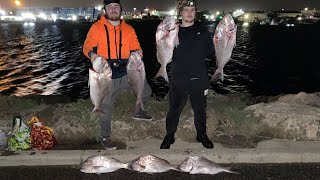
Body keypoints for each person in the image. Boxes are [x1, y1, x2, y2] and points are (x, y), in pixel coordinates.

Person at [83, 0, 153, 150]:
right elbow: (87, 46)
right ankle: (105, 136)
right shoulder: (96, 27)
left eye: (116, 7)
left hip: (127, 70)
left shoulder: (128, 29)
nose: (113, 10)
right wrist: (93, 55)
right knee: (105, 107)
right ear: (105, 10)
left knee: (146, 92)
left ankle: (137, 111)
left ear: (120, 10)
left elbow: (135, 45)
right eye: (110, 7)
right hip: (106, 73)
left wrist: (139, 52)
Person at [160, 0, 214, 149]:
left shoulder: (202, 31)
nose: (189, 13)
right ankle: (169, 135)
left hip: (199, 77)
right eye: (186, 10)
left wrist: (216, 42)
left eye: (192, 10)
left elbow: (211, 53)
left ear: (196, 12)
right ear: (180, 12)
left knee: (200, 109)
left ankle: (201, 134)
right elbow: (165, 52)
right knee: (174, 110)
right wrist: (162, 39)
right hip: (179, 77)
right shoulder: (173, 31)